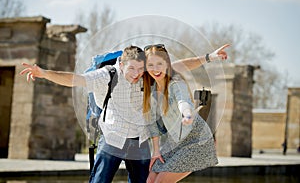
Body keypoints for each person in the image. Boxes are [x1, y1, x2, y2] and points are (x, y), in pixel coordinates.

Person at [20, 44, 229, 183]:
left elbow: (181, 71)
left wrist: (210, 57)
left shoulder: (157, 75)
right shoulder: (115, 75)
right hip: (115, 138)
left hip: (156, 140)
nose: (137, 74)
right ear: (121, 64)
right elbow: (76, 79)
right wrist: (44, 73)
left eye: (141, 69)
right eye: (132, 69)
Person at [143, 44, 224, 183]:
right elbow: (152, 123)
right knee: (150, 180)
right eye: (150, 64)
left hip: (196, 140)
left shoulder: (175, 83)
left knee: (161, 181)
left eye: (159, 64)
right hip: (174, 141)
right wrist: (156, 151)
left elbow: (183, 101)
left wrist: (187, 114)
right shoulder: (150, 88)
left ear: (167, 64)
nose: (155, 69)